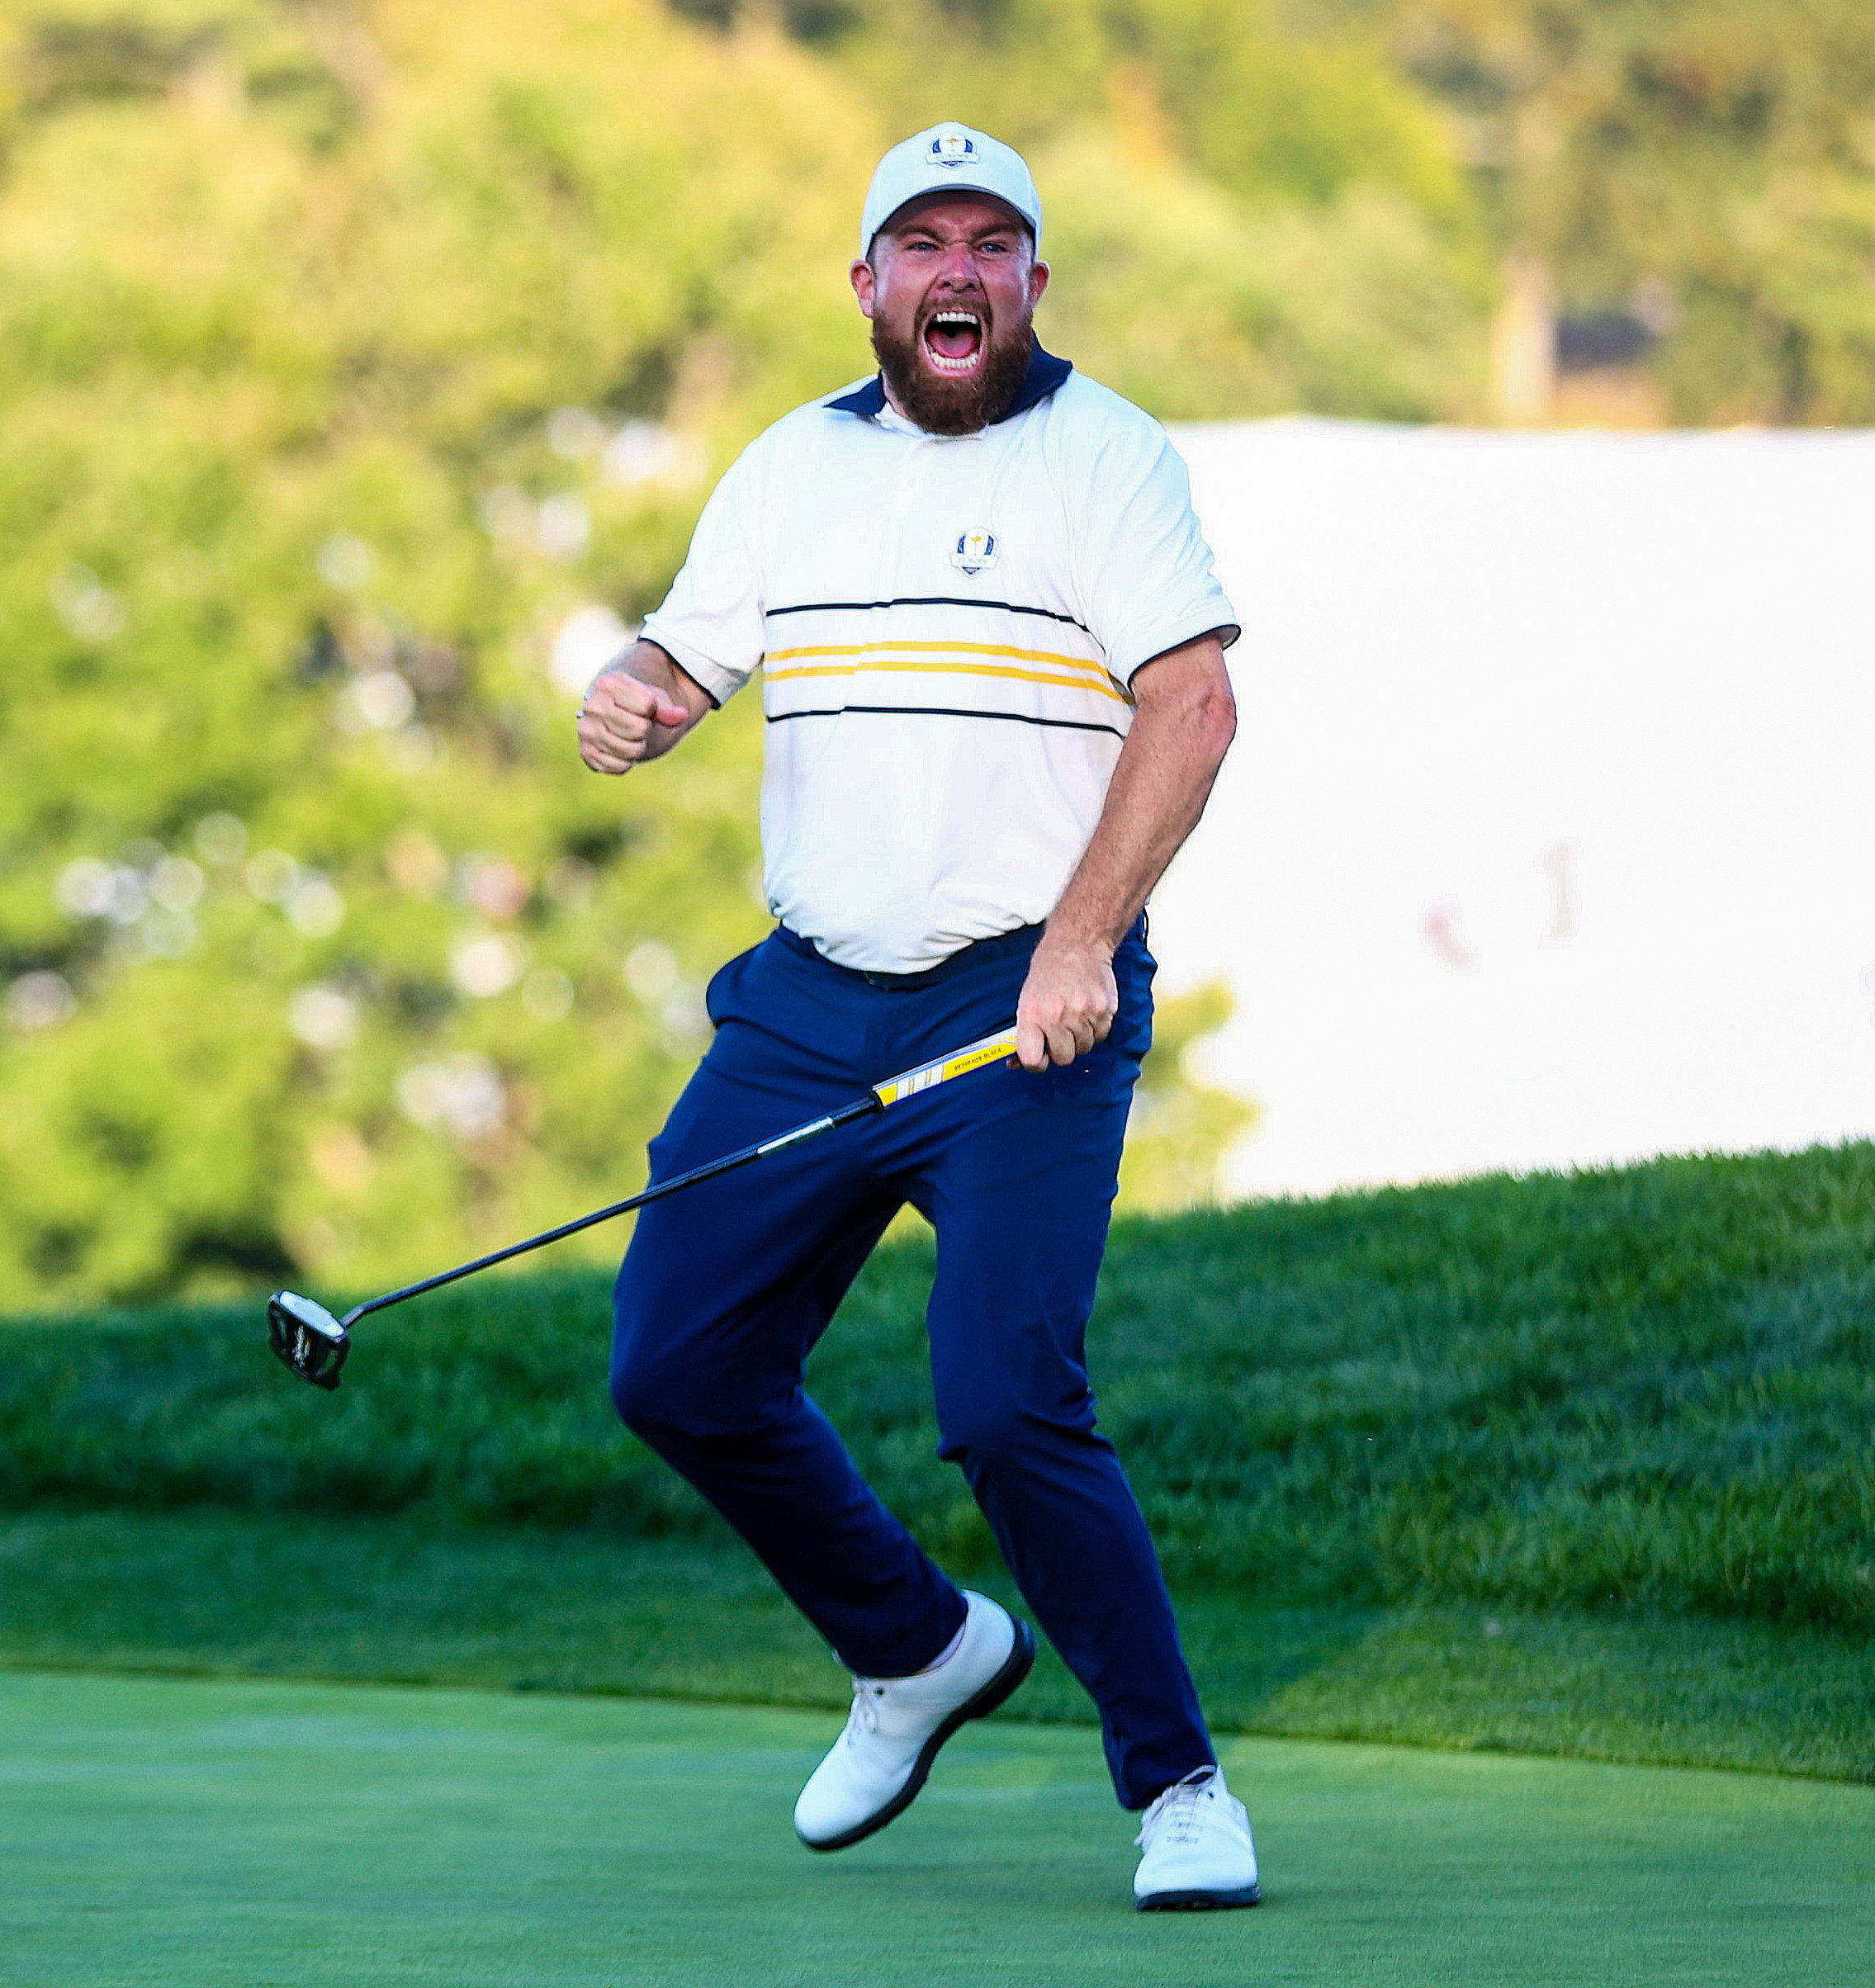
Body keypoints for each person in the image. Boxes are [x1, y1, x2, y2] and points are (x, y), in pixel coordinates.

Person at [570, 124, 1255, 1910]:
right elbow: (684, 655)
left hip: (1018, 1000)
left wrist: (1080, 942)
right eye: (920, 243)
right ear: (866, 282)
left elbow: (1188, 709)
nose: (957, 271)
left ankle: (1172, 1782)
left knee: (1004, 1404)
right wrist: (631, 693)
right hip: (807, 1003)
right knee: (675, 1363)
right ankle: (918, 1646)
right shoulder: (787, 469)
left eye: (992, 244)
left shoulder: (1108, 461)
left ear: (1033, 281)